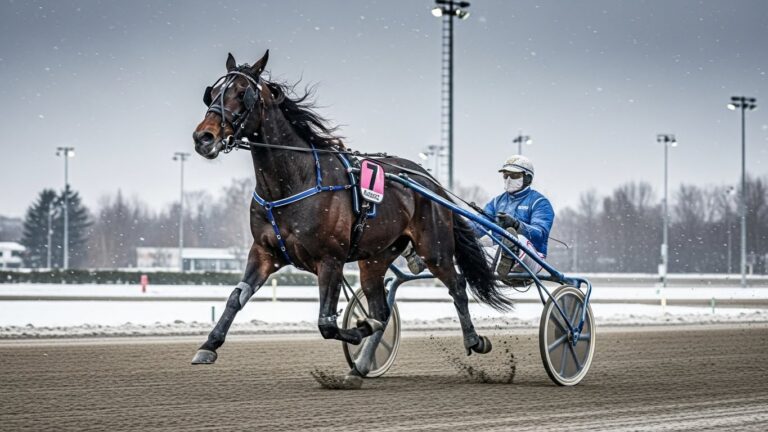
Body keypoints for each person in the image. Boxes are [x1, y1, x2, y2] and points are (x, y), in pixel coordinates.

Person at [403, 155, 555, 283]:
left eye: (514, 175)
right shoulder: (497, 202)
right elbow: (476, 227)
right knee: (467, 246)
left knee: (518, 239)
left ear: (527, 178)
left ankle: (509, 256)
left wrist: (517, 225)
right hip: (498, 256)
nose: (508, 179)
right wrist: (449, 233)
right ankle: (423, 259)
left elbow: (540, 234)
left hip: (531, 258)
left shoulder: (539, 202)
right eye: (505, 175)